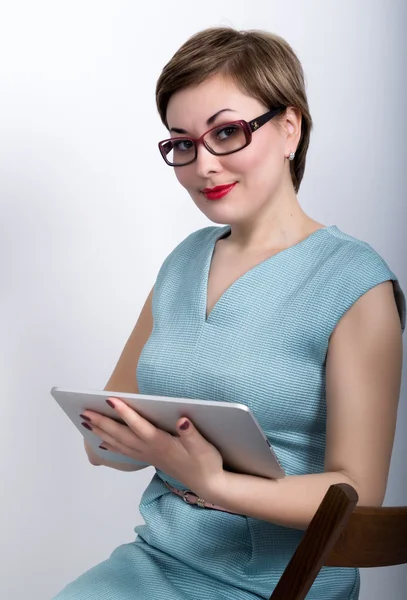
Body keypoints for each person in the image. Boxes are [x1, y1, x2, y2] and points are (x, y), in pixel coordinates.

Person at [52, 27, 405, 600]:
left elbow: (357, 495)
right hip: (156, 562)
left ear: (289, 128)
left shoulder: (354, 281)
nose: (203, 165)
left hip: (282, 581)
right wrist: (121, 440)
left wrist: (211, 481)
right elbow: (109, 439)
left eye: (227, 132)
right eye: (183, 143)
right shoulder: (184, 261)